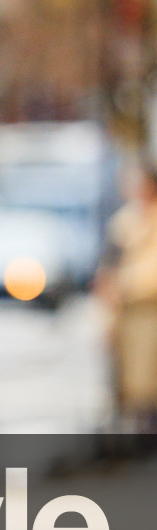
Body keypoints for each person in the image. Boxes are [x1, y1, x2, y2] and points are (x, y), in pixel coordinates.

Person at [100, 162, 157, 428]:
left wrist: (125, 283)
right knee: (129, 383)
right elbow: (109, 267)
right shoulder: (124, 221)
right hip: (125, 314)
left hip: (149, 311)